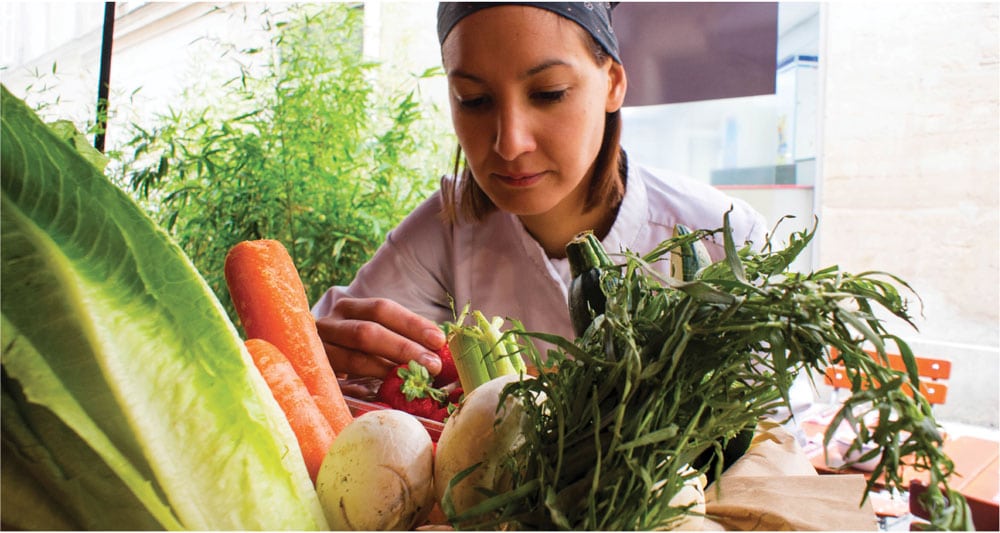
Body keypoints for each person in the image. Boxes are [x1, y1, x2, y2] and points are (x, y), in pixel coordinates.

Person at [312, 2, 768, 380]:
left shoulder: (722, 237)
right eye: (475, 100)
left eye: (549, 93)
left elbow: (773, 437)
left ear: (612, 82)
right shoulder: (445, 233)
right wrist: (315, 358)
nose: (509, 143)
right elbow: (320, 345)